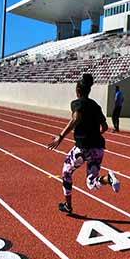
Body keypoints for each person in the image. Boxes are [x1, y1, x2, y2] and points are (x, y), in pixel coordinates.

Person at [47, 73, 121, 213]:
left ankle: (68, 206)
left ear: (78, 91)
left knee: (66, 172)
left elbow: (76, 118)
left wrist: (61, 136)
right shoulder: (96, 106)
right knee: (91, 183)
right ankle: (108, 179)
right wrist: (94, 135)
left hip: (83, 148)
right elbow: (104, 127)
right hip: (98, 147)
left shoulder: (77, 103)